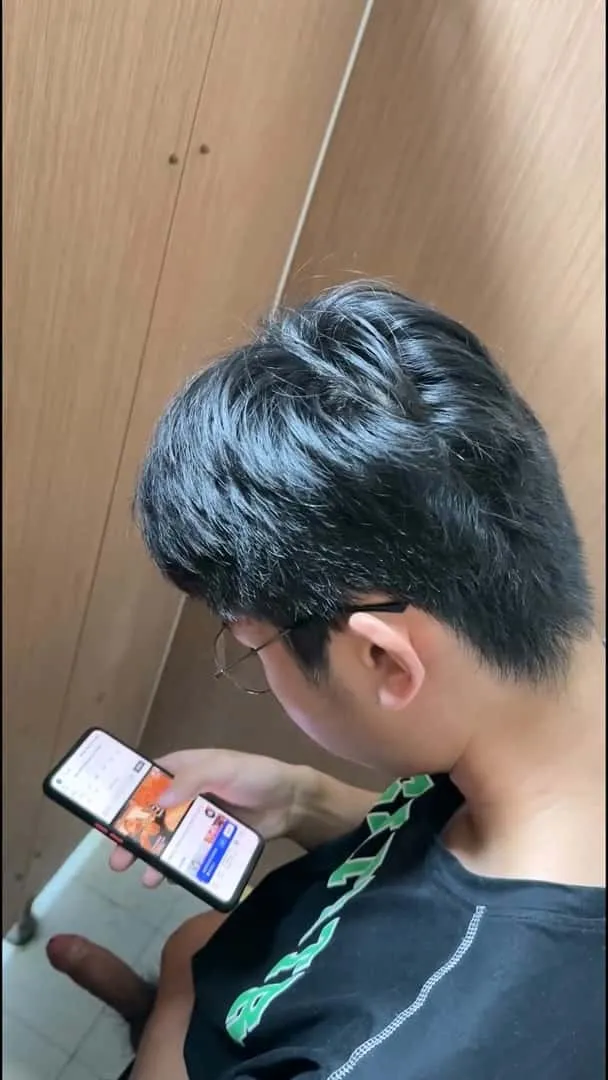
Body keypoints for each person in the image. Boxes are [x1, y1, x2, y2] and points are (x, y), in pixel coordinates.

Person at [47, 282, 605, 1079]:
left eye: (251, 645)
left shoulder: (393, 1057)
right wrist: (303, 799)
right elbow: (437, 862)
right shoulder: (538, 715)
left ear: (385, 661)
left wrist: (174, 1013)